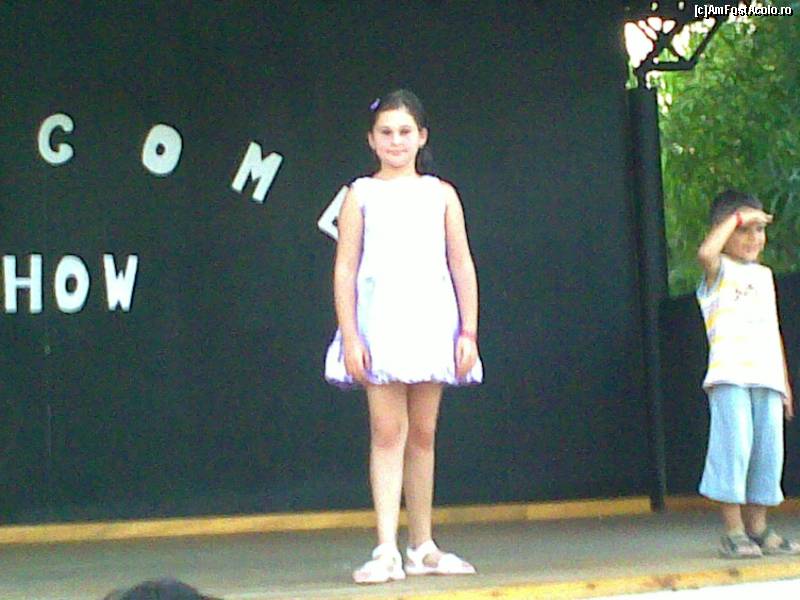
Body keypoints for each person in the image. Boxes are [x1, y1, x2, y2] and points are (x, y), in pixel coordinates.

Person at [324, 89, 483, 584]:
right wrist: (350, 335)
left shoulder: (442, 195)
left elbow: (461, 263)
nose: (396, 141)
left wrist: (468, 330)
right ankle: (385, 547)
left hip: (431, 325)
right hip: (381, 328)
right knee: (387, 432)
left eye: (405, 132)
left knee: (424, 433)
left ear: (422, 137)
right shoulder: (359, 195)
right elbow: (345, 268)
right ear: (372, 140)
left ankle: (422, 544)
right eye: (387, 132)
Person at [696, 189, 799, 558]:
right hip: (731, 376)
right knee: (734, 449)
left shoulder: (764, 276)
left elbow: (772, 330)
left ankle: (758, 527)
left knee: (767, 454)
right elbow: (706, 253)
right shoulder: (719, 271)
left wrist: (784, 382)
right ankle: (734, 530)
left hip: (766, 377)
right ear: (724, 229)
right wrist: (735, 218)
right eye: (744, 229)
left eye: (759, 229)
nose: (754, 237)